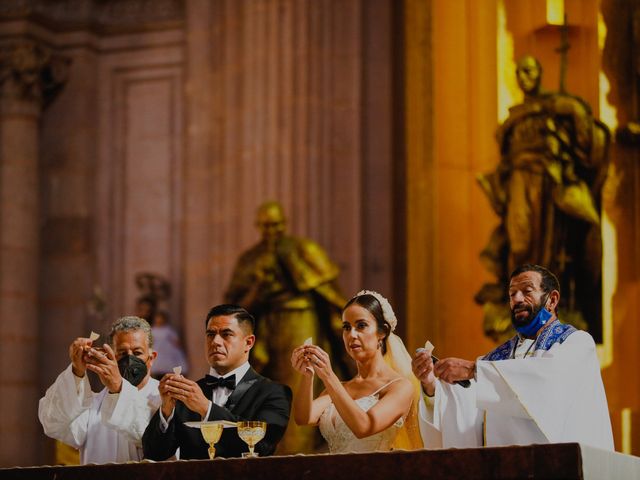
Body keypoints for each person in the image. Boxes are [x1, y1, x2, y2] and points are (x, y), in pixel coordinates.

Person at [476, 55, 610, 342]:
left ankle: (546, 301)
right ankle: (519, 298)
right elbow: (504, 150)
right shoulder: (515, 116)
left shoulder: (554, 107)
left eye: (531, 70)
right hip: (519, 181)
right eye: (520, 72)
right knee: (520, 239)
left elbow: (584, 131)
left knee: (548, 243)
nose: (526, 76)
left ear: (539, 74)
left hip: (548, 181)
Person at [413, 264, 613, 450]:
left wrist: (474, 370)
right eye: (512, 294)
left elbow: (548, 383)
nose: (517, 299)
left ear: (552, 300)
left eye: (527, 291)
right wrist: (431, 385)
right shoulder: (498, 359)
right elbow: (469, 408)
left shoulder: (575, 343)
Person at [224, 200, 350, 452]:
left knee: (301, 379)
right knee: (268, 387)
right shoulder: (250, 259)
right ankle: (273, 447)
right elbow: (234, 304)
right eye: (267, 226)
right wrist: (258, 287)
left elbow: (327, 291)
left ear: (285, 223)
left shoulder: (303, 248)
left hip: (300, 319)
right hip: (267, 326)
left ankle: (298, 448)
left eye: (277, 225)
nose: (273, 231)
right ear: (259, 226)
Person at [142, 304, 292, 459]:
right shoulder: (188, 393)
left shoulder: (274, 392)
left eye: (226, 334)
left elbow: (262, 446)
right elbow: (153, 454)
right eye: (210, 334)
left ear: (249, 342)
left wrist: (206, 409)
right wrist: (166, 411)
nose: (216, 342)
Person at [291, 290, 423, 453]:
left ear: (381, 332)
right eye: (346, 327)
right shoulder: (340, 387)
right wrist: (307, 376)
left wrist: (328, 375)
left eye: (361, 326)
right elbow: (303, 418)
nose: (351, 335)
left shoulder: (400, 387)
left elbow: (364, 427)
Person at [38, 316, 161, 464]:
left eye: (137, 352)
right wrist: (77, 371)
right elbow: (53, 424)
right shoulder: (92, 405)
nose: (129, 359)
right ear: (112, 356)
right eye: (122, 353)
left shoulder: (165, 397)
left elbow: (156, 439)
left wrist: (118, 389)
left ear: (152, 357)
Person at [150, 310, 189, 379]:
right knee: (157, 372)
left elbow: (176, 341)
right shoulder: (153, 330)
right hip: (157, 353)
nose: (159, 320)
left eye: (161, 318)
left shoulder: (168, 330)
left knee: (168, 371)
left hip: (167, 354)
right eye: (157, 318)